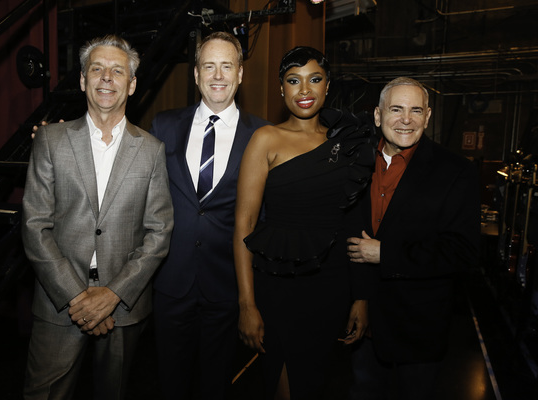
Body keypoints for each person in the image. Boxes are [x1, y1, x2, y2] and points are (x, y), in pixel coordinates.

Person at [21, 34, 174, 400]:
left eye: (117, 71)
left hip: (123, 308)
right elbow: (34, 224)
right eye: (97, 69)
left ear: (132, 84)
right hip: (59, 302)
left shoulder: (152, 150)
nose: (106, 77)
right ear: (82, 80)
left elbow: (159, 232)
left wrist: (112, 295)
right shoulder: (51, 140)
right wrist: (79, 298)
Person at [234, 46, 376, 399]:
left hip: (330, 286)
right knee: (282, 384)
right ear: (281, 89)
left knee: (316, 382)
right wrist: (247, 304)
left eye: (315, 79)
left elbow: (354, 226)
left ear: (328, 86)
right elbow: (243, 226)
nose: (305, 90)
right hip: (278, 284)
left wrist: (360, 297)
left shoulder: (347, 145)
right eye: (293, 81)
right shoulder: (265, 138)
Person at [150, 31, 268, 400]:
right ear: (196, 75)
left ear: (241, 74)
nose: (218, 75)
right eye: (209, 66)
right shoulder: (163, 126)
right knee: (170, 383)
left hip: (227, 286)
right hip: (171, 284)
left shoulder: (263, 135)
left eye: (227, 66)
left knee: (216, 385)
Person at [346, 77, 480, 400]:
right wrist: (360, 297)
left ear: (428, 117)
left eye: (415, 110)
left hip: (419, 330)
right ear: (378, 116)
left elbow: (463, 252)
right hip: (363, 324)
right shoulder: (354, 163)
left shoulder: (456, 171)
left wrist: (384, 254)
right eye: (396, 109)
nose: (406, 119)